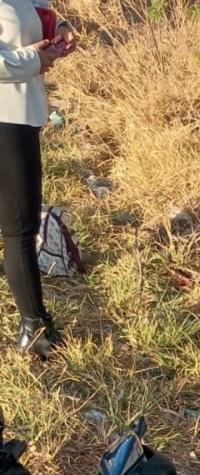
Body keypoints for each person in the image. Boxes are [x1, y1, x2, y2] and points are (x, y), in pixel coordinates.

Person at [0, 0, 75, 357]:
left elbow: (41, 11)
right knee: (19, 229)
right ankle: (35, 329)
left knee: (19, 224)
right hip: (5, 120)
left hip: (23, 114)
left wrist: (59, 30)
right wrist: (34, 59)